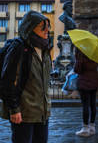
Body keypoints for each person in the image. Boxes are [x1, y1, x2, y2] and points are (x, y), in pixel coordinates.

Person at [0, 10, 53, 143]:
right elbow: (7, 81)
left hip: (42, 114)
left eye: (48, 26)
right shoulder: (18, 47)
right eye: (42, 26)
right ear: (30, 28)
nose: (47, 30)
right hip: (23, 113)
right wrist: (14, 108)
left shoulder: (46, 48)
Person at [74, 47, 98, 137]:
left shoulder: (80, 56)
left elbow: (76, 70)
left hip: (84, 82)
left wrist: (77, 58)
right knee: (93, 104)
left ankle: (85, 128)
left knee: (85, 105)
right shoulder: (95, 55)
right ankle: (92, 127)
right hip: (94, 81)